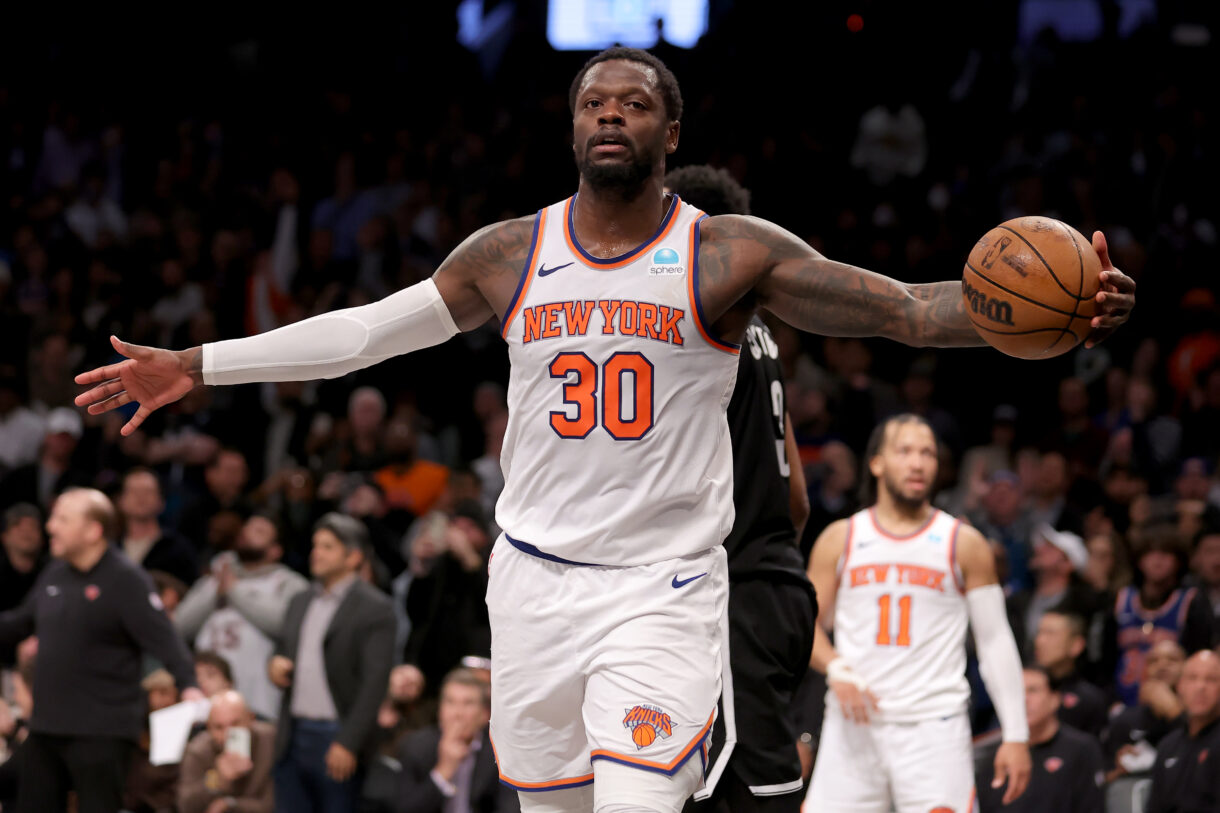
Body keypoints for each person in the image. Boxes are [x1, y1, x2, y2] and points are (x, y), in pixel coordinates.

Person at [73, 47, 1135, 812]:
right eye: (595, 102)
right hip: (531, 583)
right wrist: (198, 365)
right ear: (575, 128)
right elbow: (360, 336)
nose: (612, 114)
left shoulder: (726, 253)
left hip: (662, 590)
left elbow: (910, 306)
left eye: (634, 102)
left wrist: (1047, 314)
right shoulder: (507, 253)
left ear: (670, 135)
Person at [664, 163, 815, 812]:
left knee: (746, 790)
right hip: (778, 581)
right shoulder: (761, 333)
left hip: (734, 588)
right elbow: (798, 498)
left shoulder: (693, 326)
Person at [805, 414, 1031, 811]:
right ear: (876, 462)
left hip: (934, 728)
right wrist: (837, 668)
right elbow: (804, 628)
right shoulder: (841, 538)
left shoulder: (964, 542)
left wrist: (1015, 733)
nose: (918, 463)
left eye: (927, 452)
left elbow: (995, 641)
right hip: (853, 725)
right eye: (905, 451)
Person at [0, 488, 202, 813]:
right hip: (46, 727)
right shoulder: (55, 573)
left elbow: (164, 639)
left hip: (101, 732)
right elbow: (17, 624)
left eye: (63, 519)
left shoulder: (126, 580)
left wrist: (190, 684)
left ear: (93, 531)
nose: (50, 526)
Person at [269, 512, 394, 813]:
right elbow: (282, 650)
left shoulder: (375, 609)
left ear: (353, 557)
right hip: (293, 732)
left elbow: (375, 682)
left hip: (336, 734)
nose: (317, 553)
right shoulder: (300, 600)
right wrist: (274, 666)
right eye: (315, 545)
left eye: (327, 546)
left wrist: (349, 741)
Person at [176, 513, 309, 719]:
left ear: (276, 550)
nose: (248, 534)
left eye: (259, 532)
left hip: (260, 702)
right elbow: (179, 627)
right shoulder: (214, 580)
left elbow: (284, 624)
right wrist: (216, 590)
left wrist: (234, 590)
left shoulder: (287, 582)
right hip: (205, 705)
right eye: (247, 528)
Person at [976, 666, 1104, 813]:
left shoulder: (1082, 749)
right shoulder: (995, 756)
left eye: (1033, 690)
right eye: (1017, 692)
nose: (1024, 699)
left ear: (1055, 699)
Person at [392, 667, 520, 813]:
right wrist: (443, 771)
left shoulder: (500, 752)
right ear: (440, 710)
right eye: (450, 702)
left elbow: (509, 807)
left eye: (468, 703)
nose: (457, 713)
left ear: (485, 714)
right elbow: (404, 808)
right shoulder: (415, 746)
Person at [179, 689, 276, 813]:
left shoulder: (271, 740)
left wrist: (230, 805)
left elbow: (276, 803)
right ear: (208, 728)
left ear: (251, 718)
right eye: (219, 727)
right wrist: (217, 781)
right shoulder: (198, 751)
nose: (227, 735)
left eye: (235, 723)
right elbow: (186, 806)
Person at [1146, 650, 1220, 812]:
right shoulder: (1168, 745)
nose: (1200, 687)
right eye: (1192, 678)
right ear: (1180, 686)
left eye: (1211, 679)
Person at [1104, 640, 1186, 781]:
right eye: (1153, 661)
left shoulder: (1204, 718)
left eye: (1172, 660)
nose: (1162, 665)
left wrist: (1175, 712)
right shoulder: (1124, 719)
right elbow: (1105, 776)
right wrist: (1121, 766)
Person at [1032, 609, 1109, 737]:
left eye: (1050, 634)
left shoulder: (1091, 701)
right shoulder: (1020, 688)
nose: (1039, 641)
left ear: (1076, 645)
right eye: (1039, 632)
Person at [116, 466, 198, 585]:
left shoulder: (178, 549)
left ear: (161, 501)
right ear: (121, 501)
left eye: (148, 491)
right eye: (133, 491)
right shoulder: (110, 548)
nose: (140, 497)